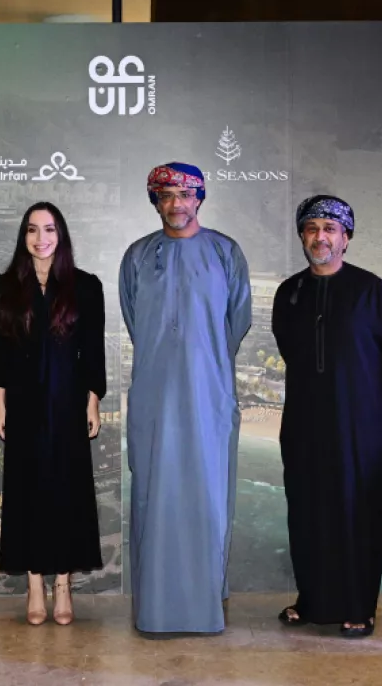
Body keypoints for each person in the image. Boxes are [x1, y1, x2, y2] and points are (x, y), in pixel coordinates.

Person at [118, 162, 252, 634]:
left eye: (185, 194)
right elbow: (135, 320)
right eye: (166, 195)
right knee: (154, 495)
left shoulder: (225, 252)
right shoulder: (138, 256)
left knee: (208, 497)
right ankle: (155, 609)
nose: (176, 203)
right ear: (155, 201)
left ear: (199, 198)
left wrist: (203, 363)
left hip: (208, 396)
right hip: (154, 397)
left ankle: (205, 602)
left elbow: (236, 322)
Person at [271, 194, 382, 638]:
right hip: (305, 423)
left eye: (330, 229)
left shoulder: (372, 291)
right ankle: (312, 601)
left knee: (358, 510)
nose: (320, 237)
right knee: (308, 510)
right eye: (311, 229)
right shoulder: (289, 293)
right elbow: (289, 350)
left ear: (345, 238)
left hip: (360, 426)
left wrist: (358, 392)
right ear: (302, 237)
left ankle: (358, 607)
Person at [0, 202, 105, 626]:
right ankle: (34, 584)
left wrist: (93, 400)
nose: (42, 238)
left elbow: (93, 350)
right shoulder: (5, 286)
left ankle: (63, 584)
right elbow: (0, 350)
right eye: (33, 230)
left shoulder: (85, 286)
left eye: (50, 229)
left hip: (68, 402)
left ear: (62, 235)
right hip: (23, 404)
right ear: (23, 236)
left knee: (67, 492)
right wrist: (0, 403)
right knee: (28, 492)